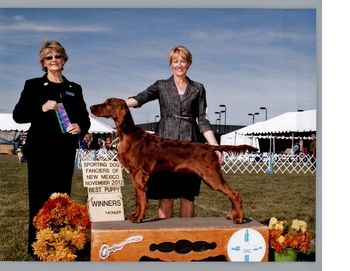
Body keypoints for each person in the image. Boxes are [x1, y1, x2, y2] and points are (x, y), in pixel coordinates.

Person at [12, 40, 91, 256]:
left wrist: (80, 126)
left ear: (64, 60)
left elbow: (85, 119)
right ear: (43, 62)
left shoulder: (75, 88)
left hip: (65, 152)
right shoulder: (33, 85)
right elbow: (18, 115)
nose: (54, 60)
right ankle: (38, 246)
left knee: (61, 198)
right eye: (49, 57)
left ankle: (60, 242)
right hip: (39, 152)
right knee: (39, 198)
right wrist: (41, 108)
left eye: (57, 56)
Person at [125, 45, 222, 219]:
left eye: (182, 61)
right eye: (175, 61)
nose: (179, 65)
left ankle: (187, 239)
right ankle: (165, 239)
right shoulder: (161, 85)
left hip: (189, 147)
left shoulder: (198, 88)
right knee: (166, 196)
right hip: (163, 147)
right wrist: (121, 104)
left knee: (187, 196)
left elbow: (202, 119)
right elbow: (141, 97)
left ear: (189, 63)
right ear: (170, 64)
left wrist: (215, 146)